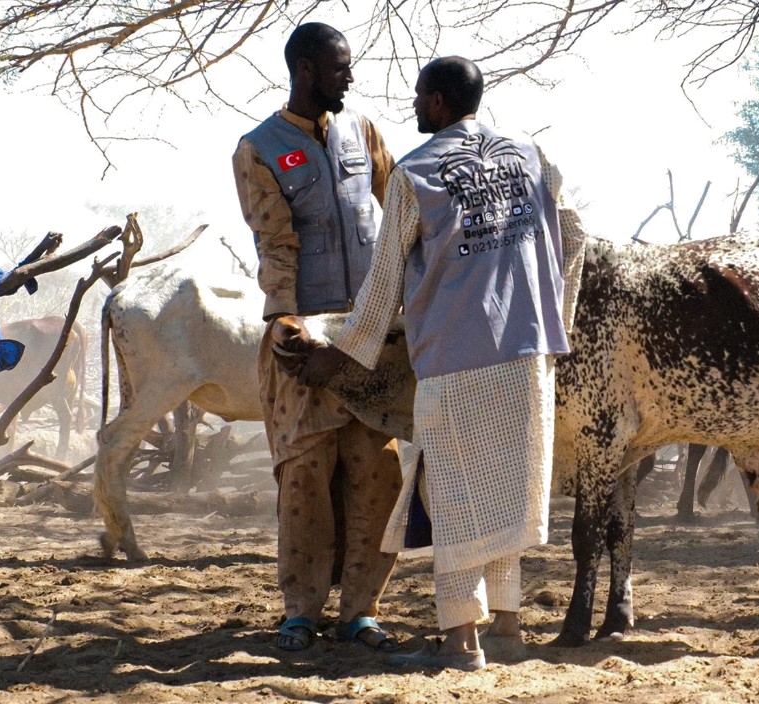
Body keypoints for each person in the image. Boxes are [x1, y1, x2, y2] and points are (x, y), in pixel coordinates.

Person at [322, 55, 586, 671]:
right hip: (528, 352)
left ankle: (459, 641)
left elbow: (385, 280)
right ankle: (509, 631)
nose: (414, 107)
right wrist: (554, 317)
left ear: (439, 102)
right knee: (505, 491)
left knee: (454, 495)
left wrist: (341, 355)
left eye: (419, 97)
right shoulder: (532, 154)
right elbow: (574, 236)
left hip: (455, 358)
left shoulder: (413, 174)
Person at [231, 21, 403, 653]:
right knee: (304, 475)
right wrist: (286, 320)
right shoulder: (260, 148)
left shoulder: (365, 133)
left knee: (376, 475)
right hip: (304, 341)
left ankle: (362, 612)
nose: (349, 78)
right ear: (306, 70)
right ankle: (300, 612)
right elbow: (275, 244)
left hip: (369, 341)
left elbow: (402, 217)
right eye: (339, 68)